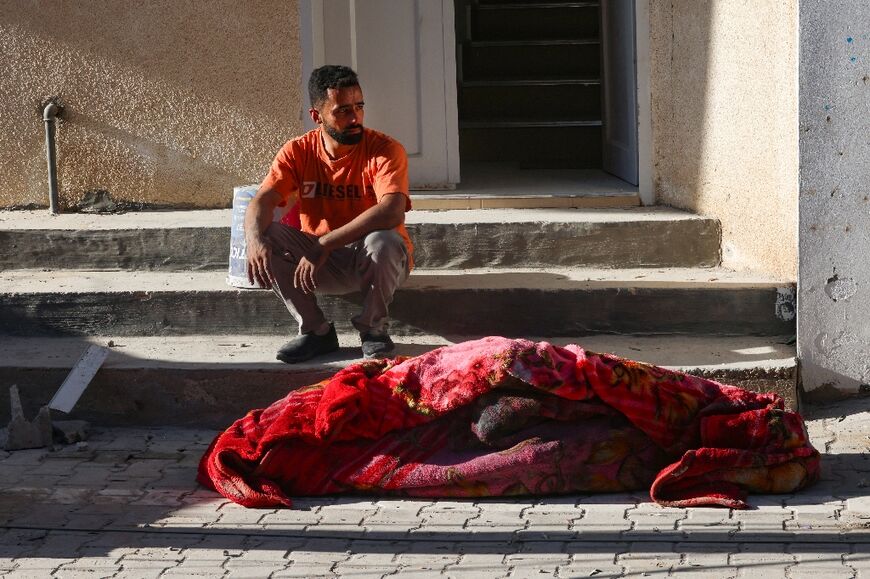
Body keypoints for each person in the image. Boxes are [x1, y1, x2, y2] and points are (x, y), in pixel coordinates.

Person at [245, 65, 413, 364]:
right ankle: (315, 331)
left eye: (359, 107)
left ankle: (374, 330)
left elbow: (391, 212)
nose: (354, 118)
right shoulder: (298, 151)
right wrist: (253, 239)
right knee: (266, 235)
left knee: (383, 241)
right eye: (342, 110)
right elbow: (263, 199)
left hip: (372, 258)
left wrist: (323, 244)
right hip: (319, 262)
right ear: (316, 116)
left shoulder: (385, 149)